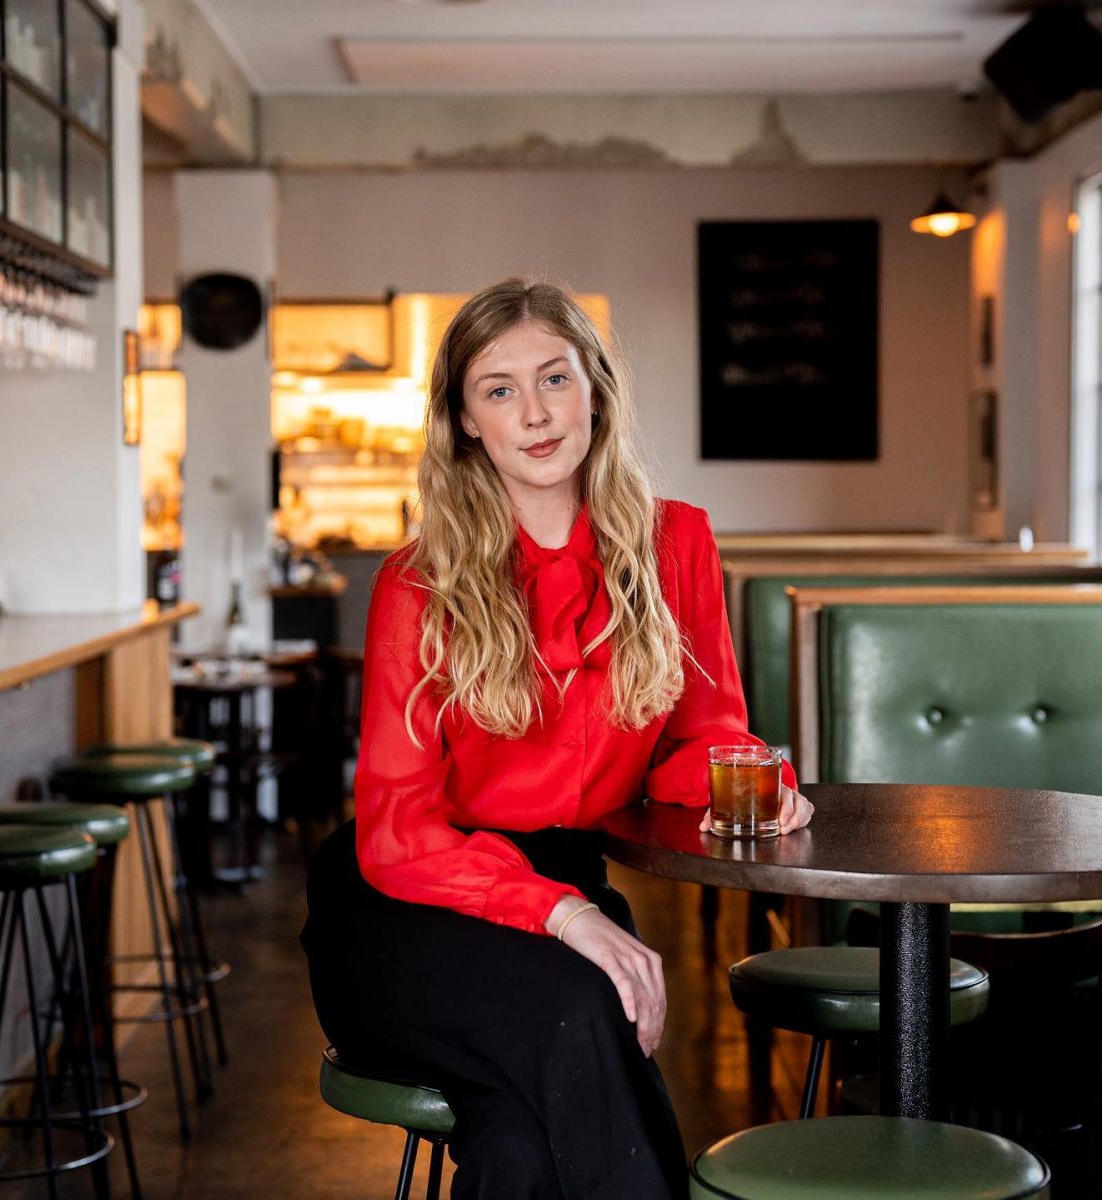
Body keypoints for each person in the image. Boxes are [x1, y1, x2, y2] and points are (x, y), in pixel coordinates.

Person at [301, 278, 813, 1199]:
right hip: (403, 914)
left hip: (559, 899)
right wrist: (569, 917)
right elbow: (395, 835)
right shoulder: (419, 584)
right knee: (585, 1009)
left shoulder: (674, 545)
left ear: (596, 388)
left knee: (521, 1149)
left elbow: (704, 737)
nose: (534, 415)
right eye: (499, 390)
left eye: (555, 379)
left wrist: (757, 778)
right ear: (464, 422)